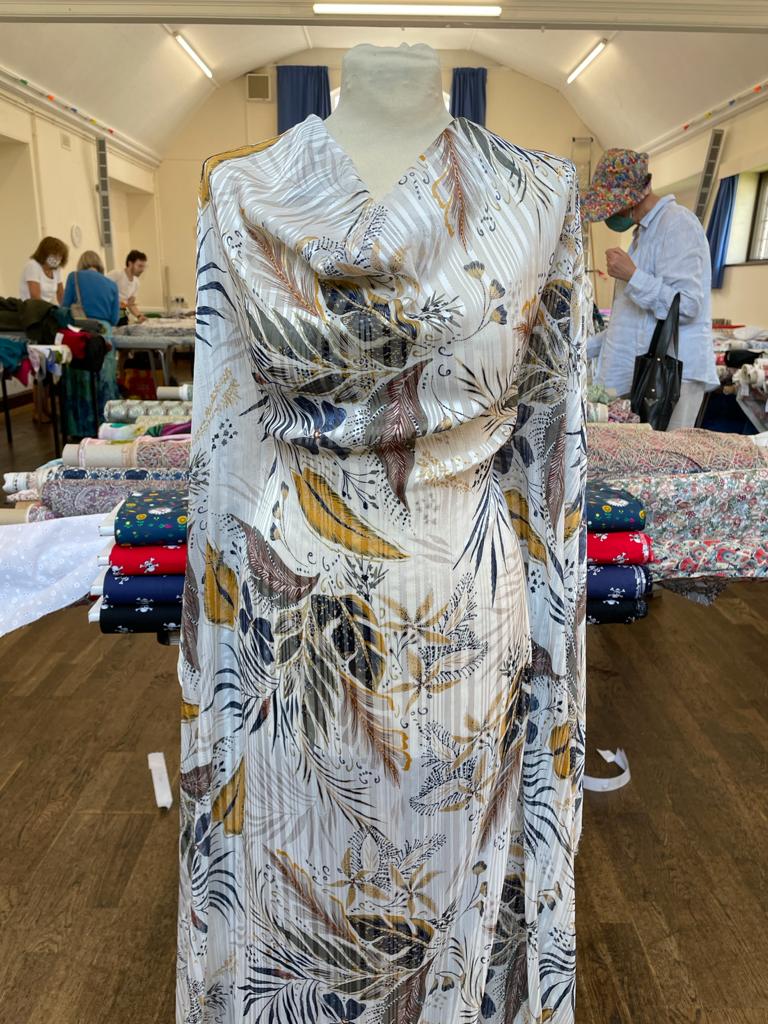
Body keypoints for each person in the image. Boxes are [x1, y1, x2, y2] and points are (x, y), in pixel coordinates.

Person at [582, 149, 719, 428]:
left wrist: (633, 276)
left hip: (671, 377)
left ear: (628, 199)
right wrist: (583, 348)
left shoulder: (678, 224)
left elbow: (687, 305)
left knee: (665, 453)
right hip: (648, 373)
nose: (609, 215)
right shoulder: (643, 234)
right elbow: (633, 321)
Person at [62, 250, 121, 325]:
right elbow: (114, 319)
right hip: (104, 328)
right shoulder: (113, 285)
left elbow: (65, 308)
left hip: (81, 327)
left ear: (81, 264)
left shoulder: (74, 276)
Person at [19, 236, 68, 305]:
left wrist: (65, 308)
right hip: (31, 307)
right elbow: (35, 298)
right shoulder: (32, 265)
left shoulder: (56, 269)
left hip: (45, 307)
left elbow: (61, 294)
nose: (57, 259)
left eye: (59, 256)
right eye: (54, 255)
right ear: (44, 253)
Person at [108, 249, 147, 324]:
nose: (142, 269)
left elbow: (131, 304)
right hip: (109, 315)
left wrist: (139, 316)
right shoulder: (117, 274)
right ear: (130, 263)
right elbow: (101, 290)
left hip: (122, 316)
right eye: (139, 266)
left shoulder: (136, 282)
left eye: (143, 267)